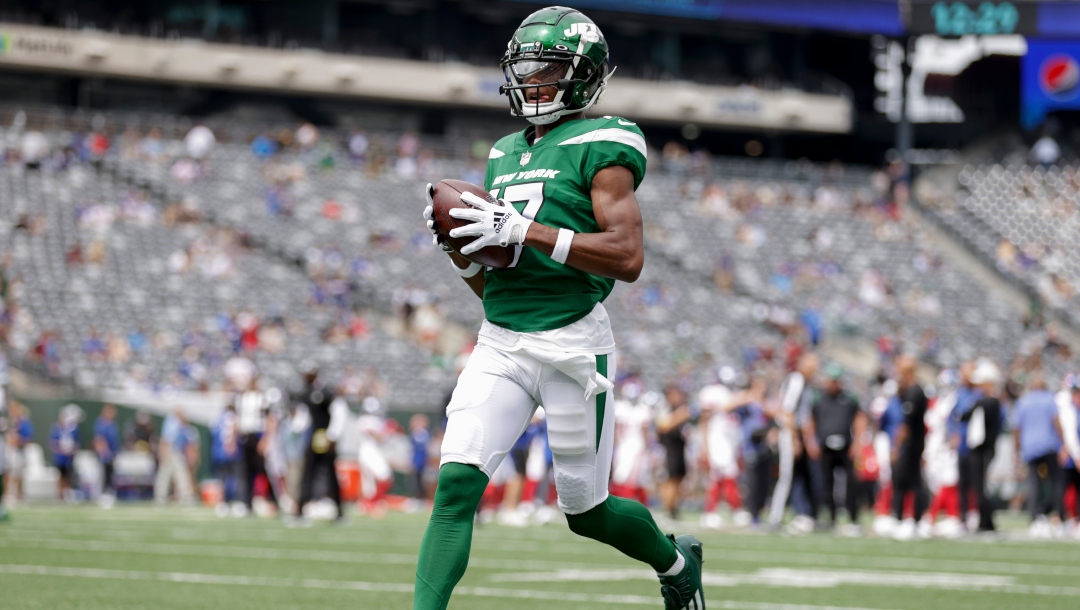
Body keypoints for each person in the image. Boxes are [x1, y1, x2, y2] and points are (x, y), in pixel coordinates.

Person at [417, 8, 703, 609]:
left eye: (545, 69)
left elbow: (627, 257)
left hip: (574, 343)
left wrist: (525, 229)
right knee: (455, 487)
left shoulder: (606, 141)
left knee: (587, 511)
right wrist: (460, 253)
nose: (530, 81)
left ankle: (677, 564)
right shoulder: (501, 152)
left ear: (582, 77)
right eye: (524, 69)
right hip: (501, 340)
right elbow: (499, 285)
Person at [803, 363, 866, 534]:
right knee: (825, 484)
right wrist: (811, 442)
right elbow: (810, 422)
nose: (833, 384)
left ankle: (853, 519)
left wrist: (858, 443)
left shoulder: (849, 398)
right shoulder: (818, 398)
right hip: (825, 447)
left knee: (851, 483)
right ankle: (830, 519)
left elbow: (859, 419)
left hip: (846, 447)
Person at [769, 353, 820, 533]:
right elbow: (788, 411)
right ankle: (775, 516)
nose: (814, 370)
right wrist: (795, 439)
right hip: (789, 433)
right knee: (786, 476)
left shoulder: (804, 383)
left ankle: (792, 514)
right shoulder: (797, 380)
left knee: (793, 476)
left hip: (794, 433)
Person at [1011, 372, 1064, 537]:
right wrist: (1063, 444)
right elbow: (1056, 422)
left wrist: (1017, 450)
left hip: (1030, 447)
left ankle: (1035, 519)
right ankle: (1058, 517)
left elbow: (1016, 429)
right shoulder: (1049, 399)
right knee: (1056, 483)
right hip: (1049, 445)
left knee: (1033, 484)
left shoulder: (1023, 402)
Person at [292, 363, 345, 525]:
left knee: (331, 475)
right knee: (308, 474)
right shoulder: (305, 393)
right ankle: (300, 511)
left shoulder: (327, 392)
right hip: (313, 438)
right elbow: (302, 419)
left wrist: (332, 436)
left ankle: (339, 513)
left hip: (325, 438)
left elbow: (339, 413)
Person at [959, 359, 1004, 533]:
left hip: (983, 450)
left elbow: (965, 415)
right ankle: (986, 521)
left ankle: (985, 521)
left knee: (982, 486)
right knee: (980, 486)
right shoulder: (987, 401)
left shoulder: (989, 402)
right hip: (982, 449)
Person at [890, 355, 929, 540]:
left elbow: (907, 425)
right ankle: (907, 518)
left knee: (909, 482)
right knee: (907, 481)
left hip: (912, 445)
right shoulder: (909, 391)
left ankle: (912, 519)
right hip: (914, 443)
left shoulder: (915, 392)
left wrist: (896, 447)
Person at [234, 377, 277, 515]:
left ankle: (273, 500)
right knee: (246, 471)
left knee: (262, 470)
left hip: (258, 435)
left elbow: (270, 419)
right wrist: (234, 438)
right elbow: (237, 419)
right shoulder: (241, 398)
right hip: (245, 435)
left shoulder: (262, 398)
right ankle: (247, 503)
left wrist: (265, 439)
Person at [656, 384, 691, 520]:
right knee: (670, 478)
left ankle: (673, 508)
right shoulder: (665, 408)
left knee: (678, 478)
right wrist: (679, 416)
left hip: (679, 448)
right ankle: (668, 509)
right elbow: (663, 426)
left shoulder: (679, 408)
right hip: (669, 448)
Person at [154, 409, 195, 504]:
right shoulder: (172, 422)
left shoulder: (179, 424)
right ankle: (162, 495)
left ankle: (182, 495)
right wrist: (164, 451)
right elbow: (166, 438)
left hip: (175, 450)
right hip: (172, 450)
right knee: (169, 473)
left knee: (175, 474)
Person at [49, 406, 81, 502]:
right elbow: (52, 442)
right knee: (60, 476)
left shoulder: (73, 429)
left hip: (69, 457)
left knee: (69, 476)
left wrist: (71, 450)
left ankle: (68, 494)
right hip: (60, 457)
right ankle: (60, 494)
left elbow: (76, 443)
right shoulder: (56, 428)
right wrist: (60, 450)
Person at [92, 404, 121, 507]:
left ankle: (108, 494)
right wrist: (104, 452)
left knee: (110, 475)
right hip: (105, 454)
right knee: (103, 475)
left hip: (112, 453)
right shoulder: (101, 423)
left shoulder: (112, 424)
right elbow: (99, 439)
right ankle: (100, 496)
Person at [409, 414, 432, 500]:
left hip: (423, 461)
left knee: (423, 481)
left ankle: (422, 498)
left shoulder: (424, 434)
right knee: (415, 481)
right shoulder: (414, 434)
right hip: (416, 461)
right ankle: (417, 497)